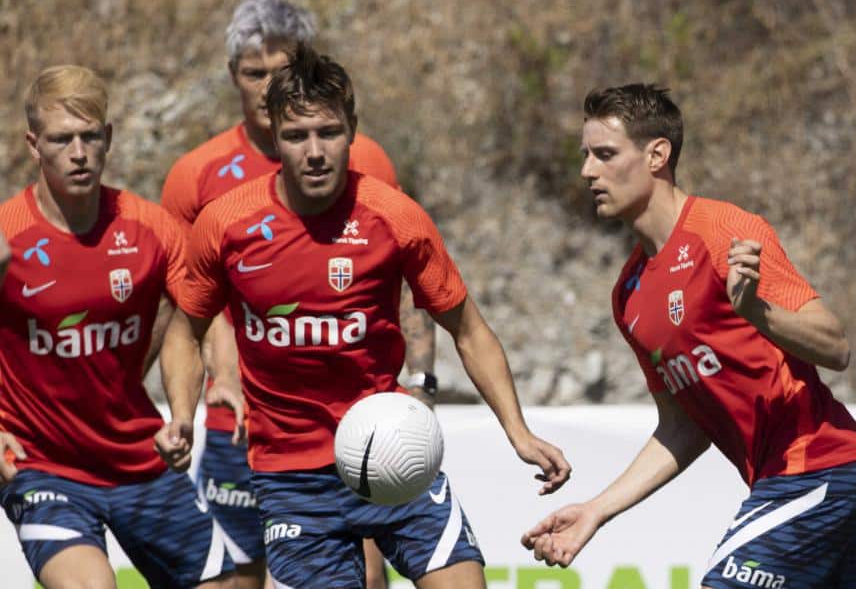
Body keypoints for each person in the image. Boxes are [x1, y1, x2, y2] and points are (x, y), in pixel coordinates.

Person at [155, 44, 571, 589]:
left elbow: (468, 329)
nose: (315, 152)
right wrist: (181, 415)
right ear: (274, 138)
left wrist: (518, 432)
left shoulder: (395, 217)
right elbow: (184, 333)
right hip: (290, 474)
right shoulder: (226, 223)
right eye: (296, 136)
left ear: (352, 130)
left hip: (393, 446)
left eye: (328, 132)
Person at [522, 84, 856, 588]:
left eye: (605, 154)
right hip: (805, 476)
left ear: (657, 155)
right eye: (585, 155)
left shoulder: (721, 230)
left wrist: (756, 311)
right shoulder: (629, 295)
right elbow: (684, 426)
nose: (587, 171)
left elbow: (836, 347)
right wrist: (596, 510)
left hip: (816, 466)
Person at [160, 0, 438, 589]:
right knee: (239, 577)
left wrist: (419, 380)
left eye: (280, 71)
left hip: (356, 420)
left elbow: (401, 285)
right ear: (232, 75)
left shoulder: (366, 160)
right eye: (253, 73)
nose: (268, 88)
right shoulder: (196, 176)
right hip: (244, 418)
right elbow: (194, 306)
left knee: (368, 574)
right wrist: (221, 380)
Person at [0, 65, 234, 589]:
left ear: (108, 137)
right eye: (61, 139)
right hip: (43, 465)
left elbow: (200, 320)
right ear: (34, 146)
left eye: (90, 136)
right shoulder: (7, 237)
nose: (79, 153)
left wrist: (185, 413)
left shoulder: (150, 228)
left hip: (136, 456)